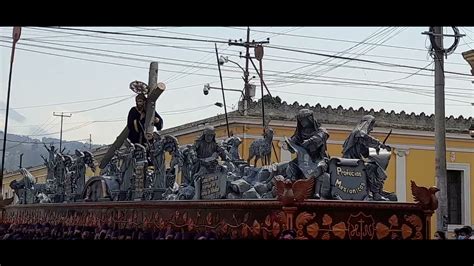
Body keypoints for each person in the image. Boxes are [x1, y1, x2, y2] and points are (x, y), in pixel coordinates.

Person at [342, 115, 391, 201]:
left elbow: (365, 152)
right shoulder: (358, 133)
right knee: (374, 168)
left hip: (355, 161)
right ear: (366, 124)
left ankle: (377, 191)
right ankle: (376, 193)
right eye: (371, 126)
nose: (371, 129)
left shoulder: (358, 136)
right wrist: (379, 144)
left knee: (374, 165)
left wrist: (378, 150)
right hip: (351, 161)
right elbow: (365, 137)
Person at [286, 109, 330, 199]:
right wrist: (289, 145)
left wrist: (309, 141)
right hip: (303, 159)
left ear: (310, 119)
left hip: (318, 158)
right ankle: (294, 187)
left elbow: (321, 136)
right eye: (300, 120)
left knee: (319, 168)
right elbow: (294, 141)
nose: (302, 122)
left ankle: (317, 192)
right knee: (291, 165)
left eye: (304, 119)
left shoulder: (320, 130)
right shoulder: (300, 133)